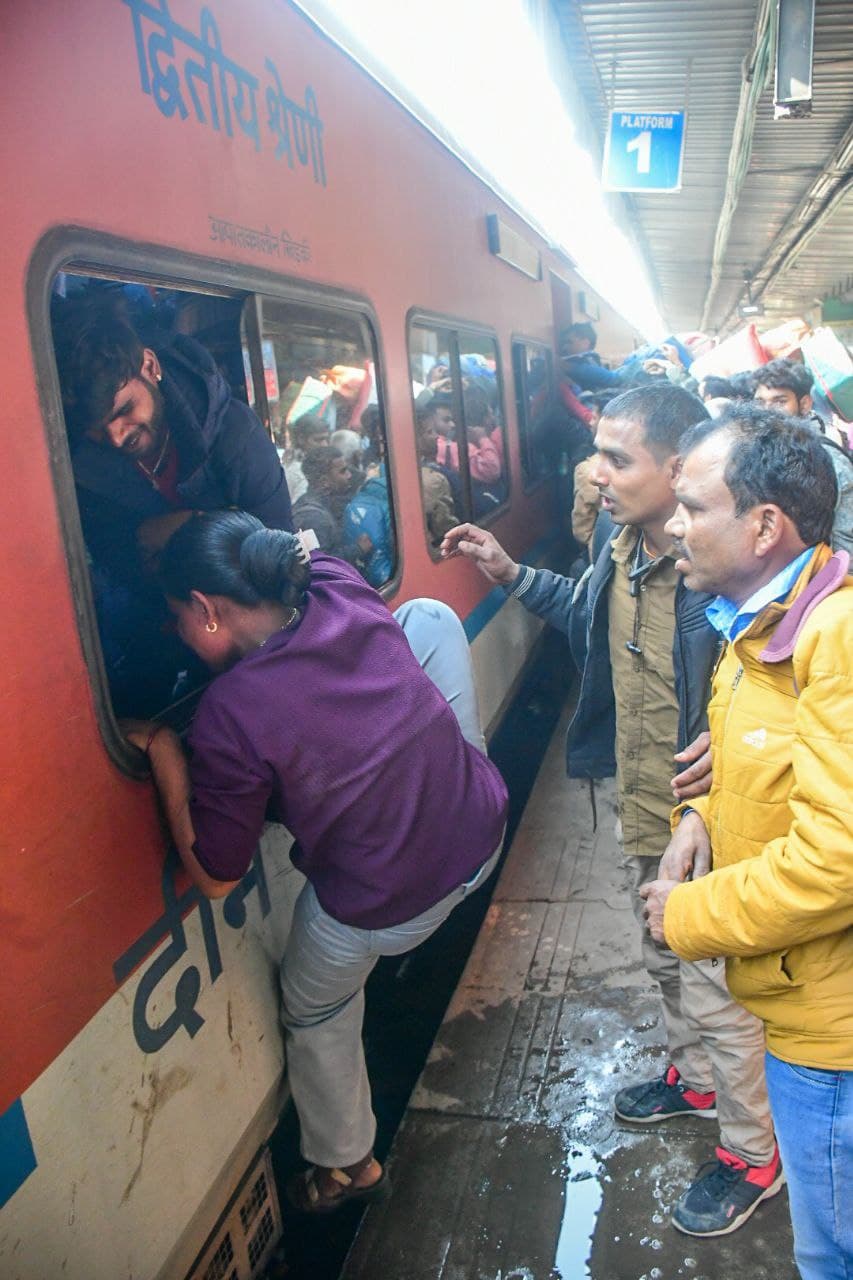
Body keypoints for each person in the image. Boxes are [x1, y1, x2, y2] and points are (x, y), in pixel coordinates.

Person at [442, 383, 779, 1236]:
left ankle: (752, 1153)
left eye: (615, 459)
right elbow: (586, 616)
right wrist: (512, 574)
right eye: (597, 453)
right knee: (662, 952)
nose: (594, 474)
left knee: (714, 984)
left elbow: (787, 686)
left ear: (676, 471)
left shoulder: (723, 573)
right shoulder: (617, 544)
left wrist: (738, 755)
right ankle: (693, 1081)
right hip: (640, 793)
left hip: (706, 813)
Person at [122, 512, 508, 1214]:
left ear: (207, 611)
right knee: (424, 616)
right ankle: (446, 767)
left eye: (179, 617)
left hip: (389, 907)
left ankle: (346, 1165)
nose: (178, 632)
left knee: (317, 1005)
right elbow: (310, 544)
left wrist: (162, 751)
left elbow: (216, 873)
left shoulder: (228, 713)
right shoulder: (338, 584)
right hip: (481, 823)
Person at [641, 406, 852, 1277]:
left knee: (830, 1253)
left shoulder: (832, 637)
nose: (672, 524)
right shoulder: (758, 619)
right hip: (799, 1002)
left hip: (831, 1042)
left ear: (764, 525)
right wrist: (700, 811)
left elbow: (837, 859)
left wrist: (686, 915)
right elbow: (768, 761)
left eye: (692, 507)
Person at [55, 298, 293, 713]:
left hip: (254, 640)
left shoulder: (233, 434)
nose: (115, 437)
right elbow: (118, 562)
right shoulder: (84, 471)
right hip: (169, 630)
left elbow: (279, 553)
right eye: (96, 430)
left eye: (125, 410)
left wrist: (188, 527)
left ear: (150, 367)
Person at [753, 358, 853, 555]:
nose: (767, 411)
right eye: (760, 402)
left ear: (805, 404)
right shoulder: (757, 451)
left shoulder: (829, 461)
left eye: (779, 401)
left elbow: (847, 543)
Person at [291, 446, 353, 557]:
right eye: (343, 471)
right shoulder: (314, 518)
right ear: (324, 481)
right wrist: (359, 549)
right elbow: (320, 565)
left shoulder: (318, 505)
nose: (349, 475)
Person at [416, 413, 459, 546]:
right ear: (415, 440)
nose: (436, 436)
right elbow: (448, 529)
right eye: (430, 432)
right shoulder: (436, 480)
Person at [284, 414, 330, 503]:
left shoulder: (315, 465)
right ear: (301, 439)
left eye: (326, 439)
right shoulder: (298, 472)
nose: (325, 445)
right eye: (318, 440)